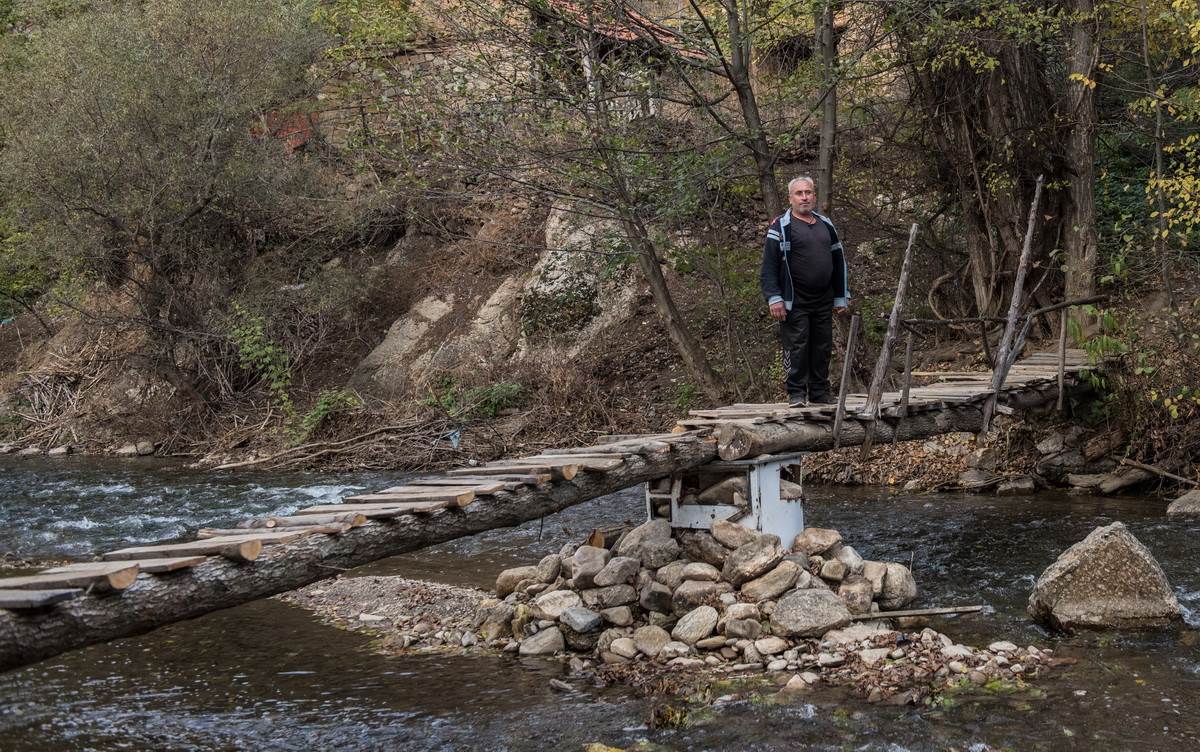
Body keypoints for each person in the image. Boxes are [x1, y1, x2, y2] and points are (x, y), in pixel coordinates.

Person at [760, 176, 850, 407]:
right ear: (790, 198)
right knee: (797, 346)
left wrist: (841, 296)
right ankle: (796, 393)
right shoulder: (781, 226)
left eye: (808, 192)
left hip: (823, 298)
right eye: (799, 193)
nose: (804, 197)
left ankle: (820, 392)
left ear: (814, 196)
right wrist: (774, 297)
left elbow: (838, 260)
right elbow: (769, 266)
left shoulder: (825, 224)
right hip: (795, 300)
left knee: (822, 346)